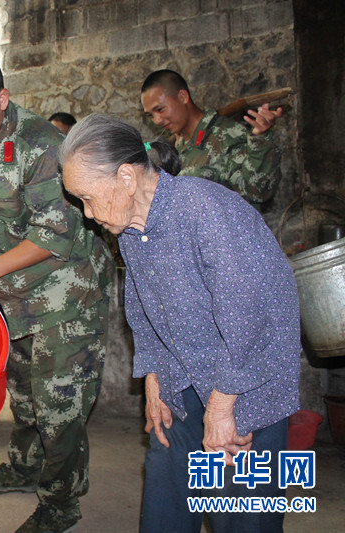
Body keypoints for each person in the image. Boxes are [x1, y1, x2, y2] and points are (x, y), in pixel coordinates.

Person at [60, 113, 300, 533]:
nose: (87, 214)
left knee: (241, 514)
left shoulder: (204, 210)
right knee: (165, 501)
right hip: (184, 379)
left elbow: (250, 315)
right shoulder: (132, 230)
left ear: (126, 178)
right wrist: (153, 377)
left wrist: (222, 408)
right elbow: (142, 307)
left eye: (87, 198)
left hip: (245, 383)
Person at [0, 48, 113, 533]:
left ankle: (61, 502)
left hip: (68, 293)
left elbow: (55, 236)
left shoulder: (44, 147)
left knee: (60, 404)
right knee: (24, 393)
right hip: (13, 296)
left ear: (2, 99)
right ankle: (25, 466)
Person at [140, 69, 283, 207]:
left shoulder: (225, 135)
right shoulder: (177, 147)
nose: (157, 120)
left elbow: (257, 192)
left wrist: (260, 140)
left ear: (182, 97)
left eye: (160, 109)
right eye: (151, 115)